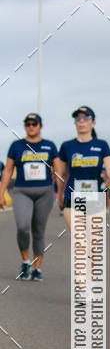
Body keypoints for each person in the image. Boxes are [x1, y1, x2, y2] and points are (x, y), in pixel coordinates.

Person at [0, 113, 59, 281]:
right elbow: (8, 170)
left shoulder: (49, 146)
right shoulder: (17, 145)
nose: (31, 126)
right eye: (28, 124)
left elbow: (58, 169)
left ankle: (37, 269)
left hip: (44, 192)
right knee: (23, 227)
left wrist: (60, 189)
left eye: (34, 123)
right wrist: (1, 192)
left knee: (39, 231)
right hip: (22, 191)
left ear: (40, 126)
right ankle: (25, 261)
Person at [56, 106, 110, 231]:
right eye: (78, 118)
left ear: (93, 122)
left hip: (95, 199)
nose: (82, 121)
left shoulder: (102, 145)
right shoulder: (67, 146)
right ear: (75, 122)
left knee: (94, 248)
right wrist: (59, 194)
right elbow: (61, 174)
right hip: (72, 198)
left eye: (86, 118)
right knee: (81, 245)